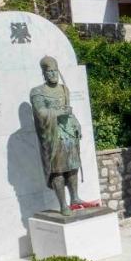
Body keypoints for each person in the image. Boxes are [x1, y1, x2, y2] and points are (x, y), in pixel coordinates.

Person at [30, 56, 84, 215]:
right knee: (58, 170)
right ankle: (63, 205)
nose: (53, 74)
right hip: (54, 136)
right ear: (44, 73)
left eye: (55, 71)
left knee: (73, 166)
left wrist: (77, 123)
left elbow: (69, 110)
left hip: (68, 134)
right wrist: (60, 113)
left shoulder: (64, 89)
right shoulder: (37, 92)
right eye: (49, 72)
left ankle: (75, 197)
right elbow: (41, 113)